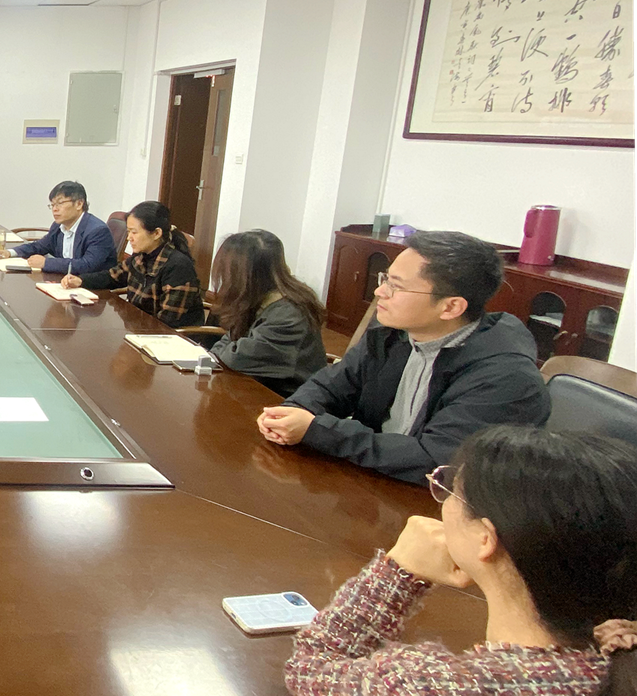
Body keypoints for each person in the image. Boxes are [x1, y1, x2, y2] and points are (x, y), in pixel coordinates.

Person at [285, 425, 636, 696]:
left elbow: (311, 666)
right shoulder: (617, 655)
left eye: (451, 490)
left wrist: (396, 573)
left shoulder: (439, 684)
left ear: (485, 538)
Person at [258, 230, 550, 486]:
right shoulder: (393, 333)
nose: (379, 291)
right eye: (385, 278)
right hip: (372, 481)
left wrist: (319, 431)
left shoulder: (505, 377)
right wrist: (292, 411)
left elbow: (435, 462)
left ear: (450, 307)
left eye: (396, 286)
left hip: (435, 503)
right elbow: (332, 385)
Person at [206, 230, 328, 397]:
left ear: (244, 274)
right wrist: (216, 354)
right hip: (253, 386)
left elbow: (237, 358)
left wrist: (218, 354)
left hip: (285, 400)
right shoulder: (257, 297)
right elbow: (228, 341)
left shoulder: (289, 314)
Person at [61, 200, 203, 328]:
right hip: (139, 327)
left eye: (134, 232)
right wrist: (81, 280)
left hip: (167, 338)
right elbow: (113, 277)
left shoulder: (178, 266)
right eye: (128, 232)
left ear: (156, 233)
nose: (129, 238)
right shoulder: (141, 256)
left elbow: (167, 322)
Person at [0, 180, 118, 275]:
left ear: (79, 204)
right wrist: (10, 253)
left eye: (60, 203)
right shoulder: (58, 226)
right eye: (52, 205)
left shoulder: (97, 231)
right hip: (64, 282)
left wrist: (46, 263)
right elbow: (39, 246)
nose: (55, 209)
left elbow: (87, 265)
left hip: (94, 291)